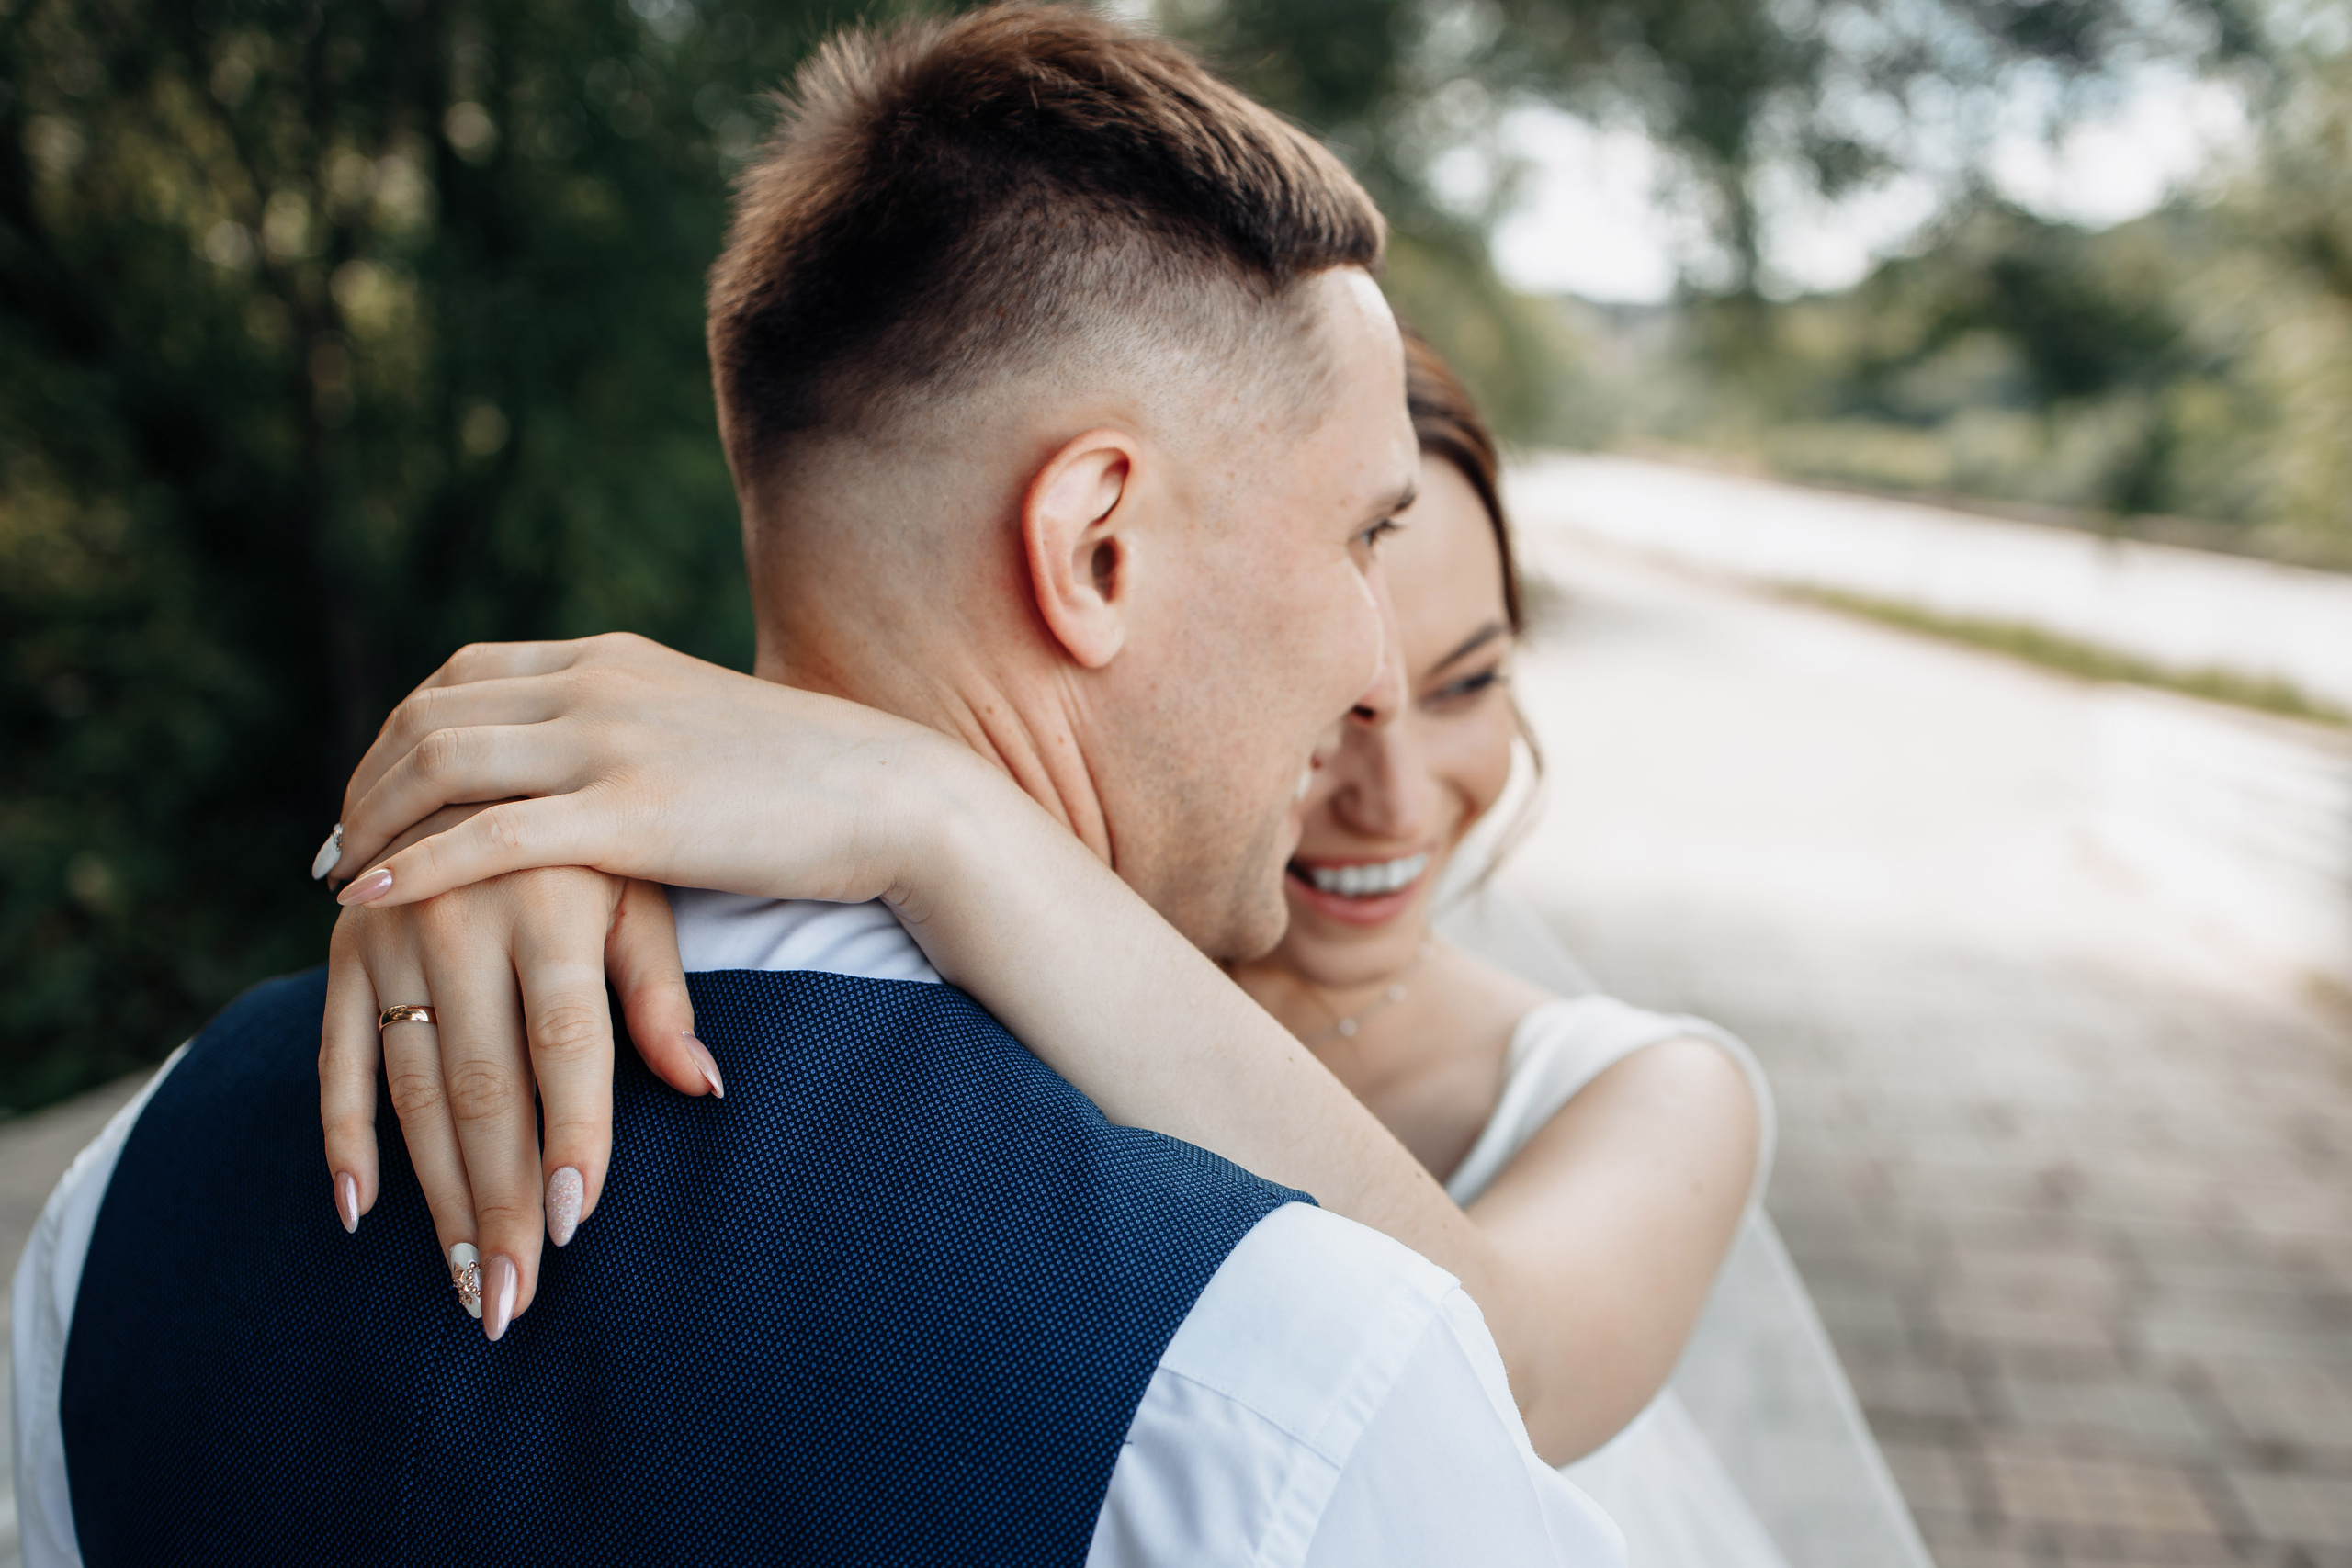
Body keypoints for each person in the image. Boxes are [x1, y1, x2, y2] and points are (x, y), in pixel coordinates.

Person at [9, 10, 1623, 1566]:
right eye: (1361, 536)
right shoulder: (1291, 1378)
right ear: (1094, 551)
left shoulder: (125, 1194)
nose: (1377, 672)